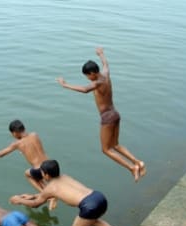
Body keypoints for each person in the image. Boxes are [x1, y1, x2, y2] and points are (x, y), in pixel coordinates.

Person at [56, 47, 146, 182]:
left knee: (106, 149)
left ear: (92, 73)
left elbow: (85, 89)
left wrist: (65, 85)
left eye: (88, 76)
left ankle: (132, 168)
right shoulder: (106, 74)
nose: (88, 79)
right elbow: (106, 64)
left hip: (108, 117)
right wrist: (101, 54)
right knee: (115, 145)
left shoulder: (97, 82)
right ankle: (138, 162)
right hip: (115, 114)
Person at [9, 160, 128, 226]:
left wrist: (19, 200)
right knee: (92, 221)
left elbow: (36, 204)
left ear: (46, 175)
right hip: (99, 197)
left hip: (89, 206)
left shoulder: (51, 187)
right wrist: (32, 196)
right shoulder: (65, 177)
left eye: (41, 172)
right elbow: (58, 193)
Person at [0, 119, 57, 209]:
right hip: (49, 165)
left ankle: (48, 196)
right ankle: (48, 194)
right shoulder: (35, 135)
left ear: (14, 133)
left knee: (27, 174)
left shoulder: (18, 143)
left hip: (38, 169)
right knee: (37, 178)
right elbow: (32, 147)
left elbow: (1, 154)